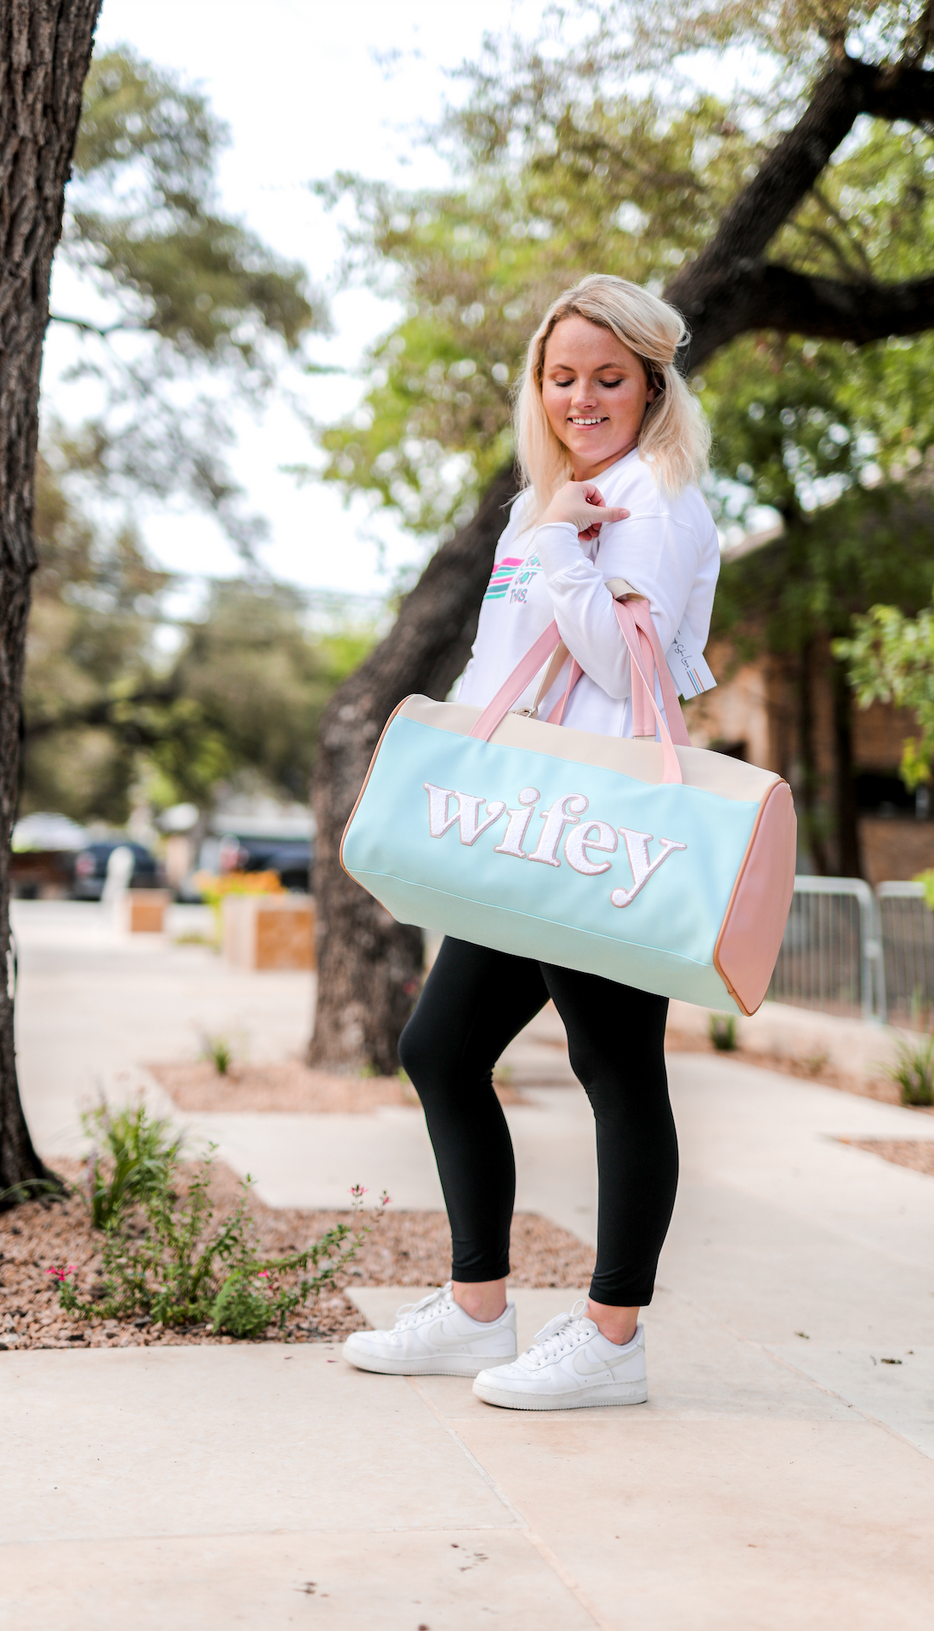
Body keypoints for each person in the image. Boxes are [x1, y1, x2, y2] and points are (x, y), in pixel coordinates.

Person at [342, 273, 718, 1410]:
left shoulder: (658, 498)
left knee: (616, 1065)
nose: (582, 396)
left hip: (602, 829)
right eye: (563, 377)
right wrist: (464, 757)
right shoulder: (545, 500)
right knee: (441, 1048)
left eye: (609, 377)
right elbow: (504, 659)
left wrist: (560, 544)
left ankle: (612, 1335)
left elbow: (622, 665)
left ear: (652, 381)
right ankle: (475, 1308)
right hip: (524, 821)